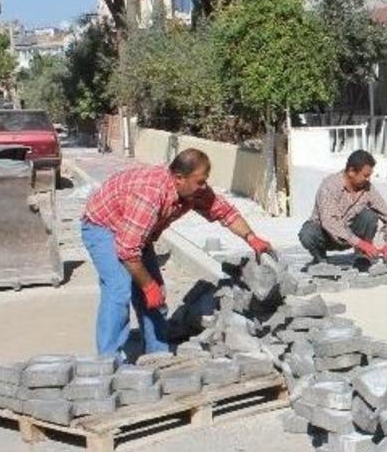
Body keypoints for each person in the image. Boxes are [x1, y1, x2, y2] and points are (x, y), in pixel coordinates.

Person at [81, 148, 273, 359]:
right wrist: (147, 285)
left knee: (156, 294)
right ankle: (108, 362)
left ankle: (157, 355)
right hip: (104, 226)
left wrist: (251, 238)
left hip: (135, 232)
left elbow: (225, 212)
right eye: (200, 181)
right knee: (119, 289)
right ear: (179, 178)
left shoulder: (193, 189)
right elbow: (127, 250)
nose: (203, 186)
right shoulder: (150, 194)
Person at [299, 149, 387, 268]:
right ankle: (320, 259)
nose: (369, 179)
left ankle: (363, 257)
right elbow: (330, 223)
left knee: (369, 216)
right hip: (326, 236)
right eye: (365, 175)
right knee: (307, 233)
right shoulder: (329, 186)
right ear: (351, 171)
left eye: (370, 176)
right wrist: (361, 243)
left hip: (351, 235)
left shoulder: (367, 188)